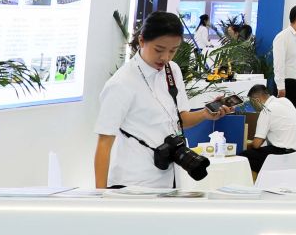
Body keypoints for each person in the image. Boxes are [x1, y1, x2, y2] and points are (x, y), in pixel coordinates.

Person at [93, 11, 238, 189]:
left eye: (173, 50)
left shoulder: (172, 71)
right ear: (142, 41)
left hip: (170, 181)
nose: (165, 57)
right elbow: (104, 143)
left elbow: (180, 119)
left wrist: (205, 114)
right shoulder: (121, 83)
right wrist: (101, 197)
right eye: (159, 50)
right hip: (132, 184)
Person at [243, 82, 296, 175]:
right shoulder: (285, 101)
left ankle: (267, 179)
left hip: (285, 157)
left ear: (257, 100)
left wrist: (245, 145)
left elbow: (256, 144)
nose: (253, 107)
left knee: (244, 156)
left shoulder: (266, 110)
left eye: (252, 103)